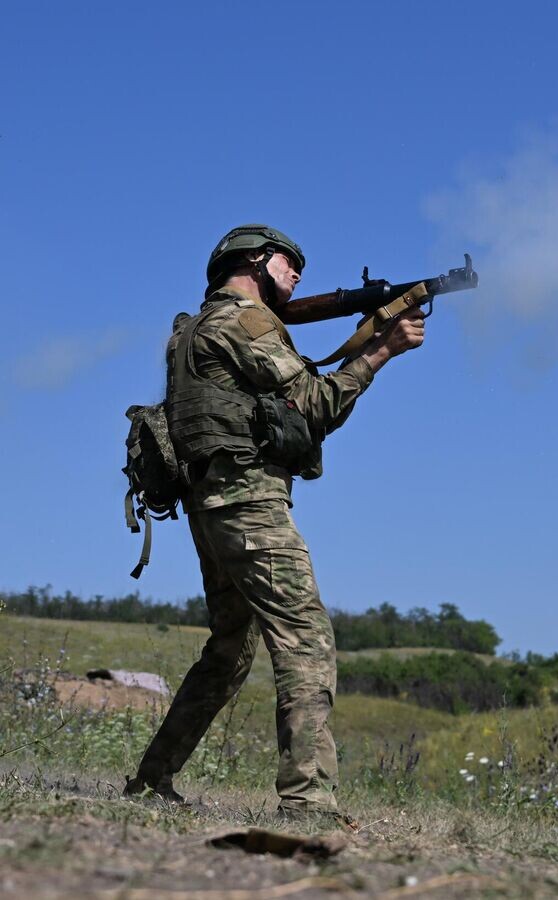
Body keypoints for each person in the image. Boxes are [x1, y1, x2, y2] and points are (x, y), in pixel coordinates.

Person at [124, 224, 425, 819]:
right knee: (305, 639)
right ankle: (307, 800)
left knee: (230, 650)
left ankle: (151, 779)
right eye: (289, 263)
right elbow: (314, 407)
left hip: (208, 507)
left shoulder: (188, 332)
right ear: (254, 260)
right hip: (249, 503)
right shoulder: (246, 322)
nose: (298, 274)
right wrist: (380, 350)